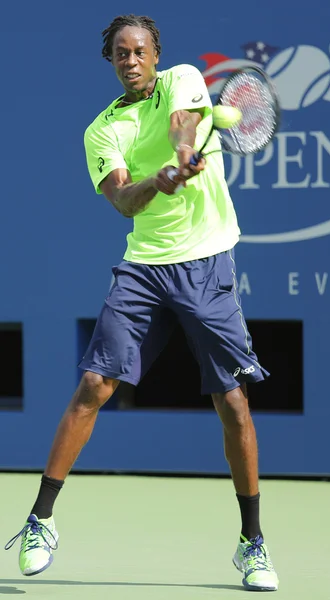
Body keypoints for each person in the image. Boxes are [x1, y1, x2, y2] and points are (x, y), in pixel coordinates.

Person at [5, 14, 279, 592]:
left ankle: (252, 542)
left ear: (156, 54)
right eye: (120, 53)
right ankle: (40, 520)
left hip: (207, 264)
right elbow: (124, 201)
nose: (130, 60)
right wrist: (161, 181)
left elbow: (184, 126)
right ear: (110, 61)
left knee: (232, 402)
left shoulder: (183, 79)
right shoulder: (101, 131)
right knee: (93, 388)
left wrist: (183, 158)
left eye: (139, 50)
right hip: (144, 271)